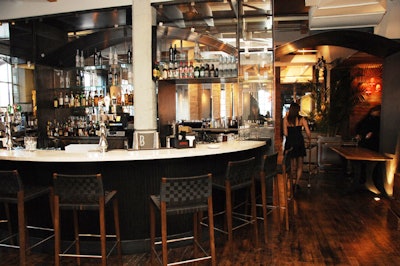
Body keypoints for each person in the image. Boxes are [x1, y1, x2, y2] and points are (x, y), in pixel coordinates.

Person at [283, 102, 311, 191]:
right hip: (299, 142)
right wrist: (308, 140)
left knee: (292, 166)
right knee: (300, 165)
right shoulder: (302, 119)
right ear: (298, 110)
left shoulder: (286, 119)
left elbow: (285, 133)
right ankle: (296, 183)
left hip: (290, 143)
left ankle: (291, 182)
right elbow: (308, 133)